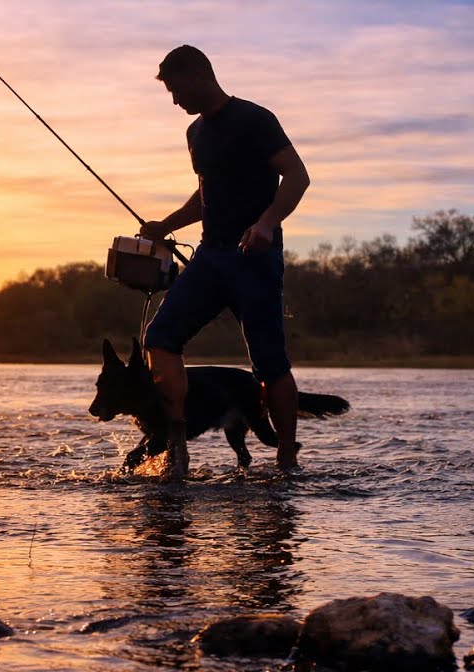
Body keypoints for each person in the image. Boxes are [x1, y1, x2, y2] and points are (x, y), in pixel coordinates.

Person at [138, 45, 310, 480]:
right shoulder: (195, 134)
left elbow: (297, 175)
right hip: (210, 257)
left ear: (199, 75)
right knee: (159, 337)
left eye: (177, 90)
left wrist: (267, 223)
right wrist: (167, 224)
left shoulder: (255, 119)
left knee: (269, 363)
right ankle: (176, 450)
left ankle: (287, 458)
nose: (176, 102)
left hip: (255, 258)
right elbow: (205, 194)